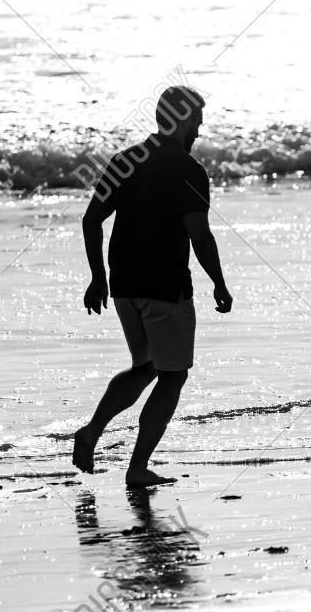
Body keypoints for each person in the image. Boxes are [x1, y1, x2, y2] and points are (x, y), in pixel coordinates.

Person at [71, 86, 232, 486]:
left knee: (144, 367)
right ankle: (138, 468)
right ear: (179, 121)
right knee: (172, 376)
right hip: (165, 286)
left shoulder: (125, 161)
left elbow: (92, 220)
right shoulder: (189, 169)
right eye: (195, 119)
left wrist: (98, 277)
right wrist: (219, 282)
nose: (199, 128)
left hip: (124, 285)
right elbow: (199, 234)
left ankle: (91, 432)